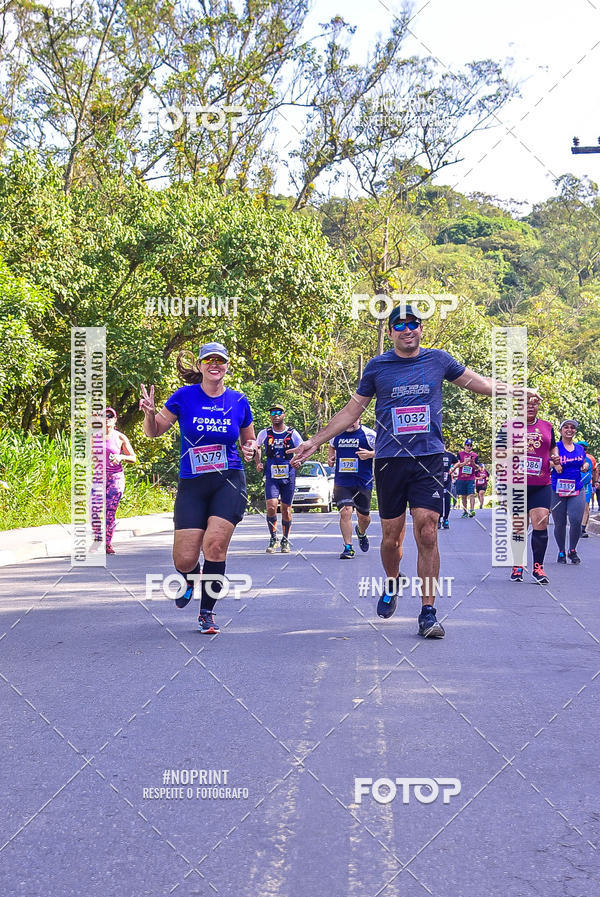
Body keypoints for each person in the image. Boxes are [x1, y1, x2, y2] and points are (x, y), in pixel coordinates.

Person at [290, 305, 541, 638]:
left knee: (427, 530)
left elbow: (475, 382)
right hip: (391, 461)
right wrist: (315, 441)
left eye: (413, 324)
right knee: (392, 538)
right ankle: (392, 581)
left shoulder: (438, 360)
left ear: (421, 329)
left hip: (429, 459)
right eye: (399, 325)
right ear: (391, 332)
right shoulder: (378, 367)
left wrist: (516, 391)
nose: (407, 329)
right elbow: (352, 411)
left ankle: (428, 612)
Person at [139, 342, 256, 634]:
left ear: (228, 365)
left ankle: (207, 613)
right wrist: (149, 414)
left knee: (214, 545)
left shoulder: (239, 401)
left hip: (228, 480)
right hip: (192, 484)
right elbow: (153, 432)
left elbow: (248, 439)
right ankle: (193, 580)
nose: (214, 364)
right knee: (184, 559)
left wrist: (251, 448)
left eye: (221, 360)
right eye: (208, 360)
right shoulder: (183, 397)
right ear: (201, 365)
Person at [505, 396, 559, 583]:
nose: (530, 406)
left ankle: (538, 567)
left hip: (542, 483)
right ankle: (518, 564)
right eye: (526, 404)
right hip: (518, 484)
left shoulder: (547, 426)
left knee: (541, 523)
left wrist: (555, 458)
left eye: (534, 403)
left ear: (538, 406)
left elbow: (552, 449)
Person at [255, 405, 303, 553]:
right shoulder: (265, 433)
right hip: (271, 475)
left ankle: (285, 539)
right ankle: (273, 538)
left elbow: (303, 449)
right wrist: (258, 462)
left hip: (288, 476)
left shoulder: (292, 434)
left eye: (278, 413)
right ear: (270, 416)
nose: (275, 415)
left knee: (286, 509)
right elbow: (256, 447)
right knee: (271, 506)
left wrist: (299, 461)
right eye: (272, 413)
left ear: (284, 415)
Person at [327, 417, 376, 557]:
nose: (349, 423)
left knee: (364, 517)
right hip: (342, 482)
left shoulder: (369, 434)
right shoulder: (337, 433)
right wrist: (331, 458)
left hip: (363, 482)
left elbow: (385, 450)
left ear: (359, 419)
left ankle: (361, 532)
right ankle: (348, 547)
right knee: (346, 511)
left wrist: (370, 454)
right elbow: (332, 446)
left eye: (353, 420)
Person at [91, 407, 137, 554]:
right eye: (104, 416)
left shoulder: (120, 437)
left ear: (115, 419)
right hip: (98, 478)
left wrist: (121, 457)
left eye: (110, 416)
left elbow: (133, 458)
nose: (107, 418)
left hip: (115, 478)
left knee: (109, 511)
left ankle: (107, 544)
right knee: (94, 510)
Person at [551, 420, 590, 565]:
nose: (569, 429)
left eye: (572, 428)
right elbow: (546, 461)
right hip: (557, 489)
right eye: (566, 427)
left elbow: (584, 461)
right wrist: (555, 464)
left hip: (576, 488)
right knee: (560, 523)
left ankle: (572, 550)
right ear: (560, 431)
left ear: (574, 431)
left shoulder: (579, 448)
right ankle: (561, 550)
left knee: (575, 521)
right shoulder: (555, 447)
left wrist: (585, 465)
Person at [451, 439, 480, 517]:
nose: (469, 447)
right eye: (467, 445)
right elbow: (457, 465)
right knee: (463, 496)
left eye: (470, 445)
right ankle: (465, 511)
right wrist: (465, 462)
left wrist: (473, 462)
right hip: (461, 478)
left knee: (471, 494)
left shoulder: (475, 455)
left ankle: (472, 510)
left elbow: (478, 468)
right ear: (464, 446)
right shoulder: (460, 454)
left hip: (471, 478)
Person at [577, 440, 596, 538]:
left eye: (584, 449)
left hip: (586, 486)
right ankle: (575, 527)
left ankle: (582, 529)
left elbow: (591, 469)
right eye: (580, 448)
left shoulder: (589, 459)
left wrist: (595, 482)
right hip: (574, 485)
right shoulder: (572, 457)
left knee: (586, 507)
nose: (582, 450)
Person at [439, 446, 458, 529]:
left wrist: (453, 468)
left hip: (447, 481)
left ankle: (445, 519)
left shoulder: (449, 455)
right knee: (438, 499)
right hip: (437, 481)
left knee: (447, 499)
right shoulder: (435, 454)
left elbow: (457, 462)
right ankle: (438, 520)